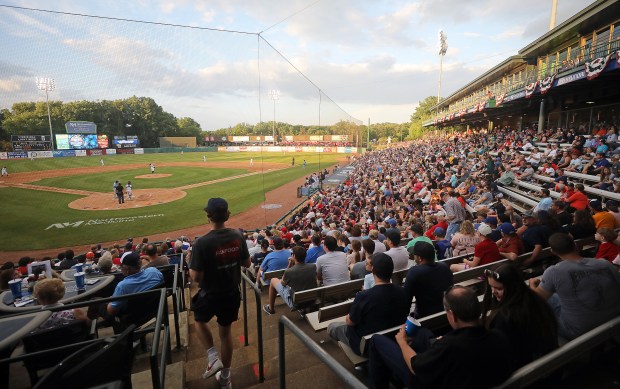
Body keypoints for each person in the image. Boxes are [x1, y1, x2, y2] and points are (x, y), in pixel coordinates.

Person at [368, 285, 513, 389]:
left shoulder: (449, 347)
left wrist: (402, 342)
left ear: (452, 315)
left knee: (376, 340)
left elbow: (415, 367)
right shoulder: (499, 336)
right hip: (468, 375)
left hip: (425, 381)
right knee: (423, 333)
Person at [189, 197, 251, 387]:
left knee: (199, 320)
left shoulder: (201, 243)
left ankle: (212, 356)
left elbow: (196, 278)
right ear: (227, 215)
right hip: (232, 293)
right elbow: (247, 263)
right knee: (226, 334)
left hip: (211, 294)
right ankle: (225, 378)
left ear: (209, 216)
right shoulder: (237, 235)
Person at [529, 233, 620, 340]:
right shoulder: (605, 263)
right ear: (575, 245)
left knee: (547, 300)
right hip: (615, 317)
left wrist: (531, 284)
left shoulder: (553, 272)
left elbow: (536, 300)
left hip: (577, 330)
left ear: (553, 251)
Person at [327, 253, 409, 356]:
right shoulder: (402, 292)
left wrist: (348, 317)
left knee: (332, 327)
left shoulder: (364, 296)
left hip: (366, 346)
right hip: (393, 339)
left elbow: (350, 322)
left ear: (373, 270)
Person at [482, 264, 558, 369]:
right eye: (491, 287)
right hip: (546, 363)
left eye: (499, 288)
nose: (493, 292)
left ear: (512, 286)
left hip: (530, 370)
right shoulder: (532, 298)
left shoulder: (506, 316)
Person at [404, 241, 453, 318]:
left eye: (415, 254)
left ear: (420, 258)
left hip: (425, 317)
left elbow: (406, 300)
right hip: (447, 312)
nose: (413, 256)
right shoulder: (444, 266)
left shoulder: (414, 272)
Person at [263, 246, 316, 315]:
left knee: (273, 280)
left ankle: (271, 308)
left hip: (296, 303)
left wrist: (289, 265)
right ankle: (304, 309)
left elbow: (283, 283)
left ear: (294, 256)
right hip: (312, 300)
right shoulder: (313, 266)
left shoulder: (290, 271)